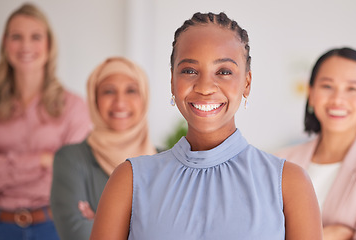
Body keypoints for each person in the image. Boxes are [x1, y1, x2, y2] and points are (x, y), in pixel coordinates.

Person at [90, 12, 322, 240]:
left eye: (224, 72)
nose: (205, 87)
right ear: (173, 81)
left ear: (246, 83)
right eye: (189, 71)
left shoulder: (289, 183)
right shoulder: (130, 180)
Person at [276, 47, 356, 240]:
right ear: (311, 94)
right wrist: (329, 235)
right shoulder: (278, 162)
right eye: (327, 86)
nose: (338, 99)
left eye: (352, 89)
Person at [0, 3, 91, 240]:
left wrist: (3, 164)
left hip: (54, 227)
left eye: (35, 37)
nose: (26, 46)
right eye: (17, 37)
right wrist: (43, 160)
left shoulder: (73, 107)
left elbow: (70, 178)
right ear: (5, 44)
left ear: (48, 45)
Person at [50, 57, 157, 240]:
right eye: (108, 91)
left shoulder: (165, 160)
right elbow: (77, 234)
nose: (120, 102)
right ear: (94, 99)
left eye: (131, 90)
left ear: (144, 97)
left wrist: (103, 225)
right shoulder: (70, 159)